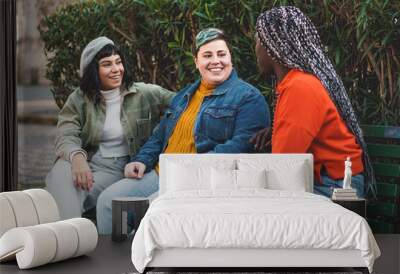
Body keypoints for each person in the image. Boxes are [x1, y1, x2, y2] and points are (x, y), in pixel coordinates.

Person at [96, 28, 271, 234]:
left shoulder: (248, 97)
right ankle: (114, 263)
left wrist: (189, 168)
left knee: (153, 211)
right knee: (107, 202)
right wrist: (142, 159)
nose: (216, 61)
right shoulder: (185, 95)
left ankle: (140, 264)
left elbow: (240, 146)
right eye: (207, 55)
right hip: (163, 173)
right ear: (197, 62)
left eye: (221, 54)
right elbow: (160, 135)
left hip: (198, 179)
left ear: (230, 58)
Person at [251, 6, 376, 198]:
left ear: (272, 45)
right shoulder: (298, 82)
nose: (256, 48)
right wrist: (276, 131)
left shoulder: (299, 87)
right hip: (330, 180)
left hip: (335, 187)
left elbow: (284, 165)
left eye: (257, 40)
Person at [46, 36, 175, 220]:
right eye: (107, 64)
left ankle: (69, 234)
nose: (116, 70)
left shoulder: (144, 94)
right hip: (89, 162)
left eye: (118, 62)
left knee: (67, 191)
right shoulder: (79, 99)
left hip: (118, 169)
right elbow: (66, 133)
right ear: (93, 70)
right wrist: (77, 157)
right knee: (60, 173)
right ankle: (71, 234)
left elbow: (182, 103)